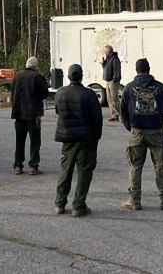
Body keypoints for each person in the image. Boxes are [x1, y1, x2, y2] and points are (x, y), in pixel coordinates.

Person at [119, 58, 163, 211]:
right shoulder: (160, 87)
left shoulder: (128, 88)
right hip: (156, 132)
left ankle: (134, 200)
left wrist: (130, 127)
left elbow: (122, 112)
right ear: (149, 69)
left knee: (135, 166)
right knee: (160, 165)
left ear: (136, 69)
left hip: (137, 132)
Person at [54, 64, 103, 217]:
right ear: (81, 76)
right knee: (84, 172)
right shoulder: (89, 94)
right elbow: (97, 118)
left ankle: (60, 203)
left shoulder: (61, 93)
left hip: (67, 137)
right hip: (86, 138)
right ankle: (79, 205)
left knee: (65, 171)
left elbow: (57, 111)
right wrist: (96, 136)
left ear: (68, 77)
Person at [10, 56, 48, 176]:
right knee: (35, 140)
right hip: (33, 113)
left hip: (19, 113)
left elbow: (13, 92)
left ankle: (18, 165)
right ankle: (33, 166)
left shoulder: (17, 76)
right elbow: (45, 94)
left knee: (19, 141)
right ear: (36, 67)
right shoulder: (37, 77)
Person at [101, 45, 122, 121]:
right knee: (109, 98)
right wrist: (103, 65)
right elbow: (106, 69)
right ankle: (114, 115)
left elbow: (117, 69)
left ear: (108, 51)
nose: (104, 52)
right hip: (108, 80)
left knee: (114, 98)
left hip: (113, 80)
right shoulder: (108, 59)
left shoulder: (114, 58)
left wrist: (115, 79)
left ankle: (120, 115)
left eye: (105, 51)